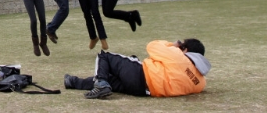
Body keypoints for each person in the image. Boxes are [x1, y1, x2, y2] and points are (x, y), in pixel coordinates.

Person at [64, 38, 211, 99]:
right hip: (144, 91)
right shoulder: (200, 83)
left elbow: (152, 46)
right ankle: (74, 82)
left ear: (185, 50)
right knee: (112, 82)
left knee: (105, 57)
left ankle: (100, 83)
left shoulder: (178, 55)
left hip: (141, 74)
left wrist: (174, 44)